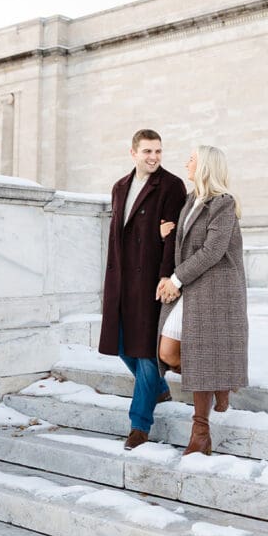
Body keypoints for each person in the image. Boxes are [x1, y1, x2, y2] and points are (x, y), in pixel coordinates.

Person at [157, 145, 248, 456]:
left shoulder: (223, 204)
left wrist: (176, 280)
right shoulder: (189, 201)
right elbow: (185, 244)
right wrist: (167, 233)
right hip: (193, 286)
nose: (187, 163)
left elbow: (212, 251)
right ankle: (218, 382)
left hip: (215, 291)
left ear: (206, 166)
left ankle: (201, 433)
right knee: (167, 352)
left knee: (195, 355)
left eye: (192, 159)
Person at [98, 129, 187, 449]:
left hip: (152, 280)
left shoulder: (172, 186)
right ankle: (159, 388)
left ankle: (139, 424)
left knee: (147, 352)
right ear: (133, 152)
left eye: (159, 152)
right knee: (121, 343)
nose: (154, 157)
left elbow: (174, 238)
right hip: (121, 279)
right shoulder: (120, 187)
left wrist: (168, 278)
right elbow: (118, 235)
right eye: (148, 151)